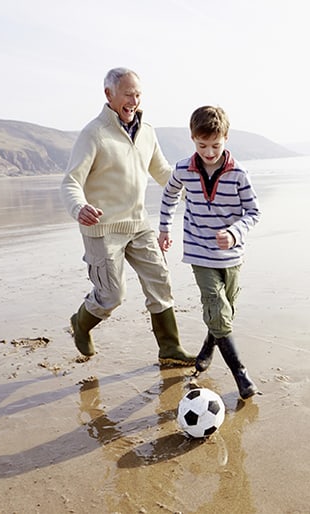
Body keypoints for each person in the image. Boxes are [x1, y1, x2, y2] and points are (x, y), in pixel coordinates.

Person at [61, 67, 195, 367]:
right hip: (102, 228)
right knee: (112, 296)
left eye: (137, 94)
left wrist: (196, 194)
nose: (133, 100)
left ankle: (170, 348)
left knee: (160, 281)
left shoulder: (147, 132)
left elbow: (162, 172)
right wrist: (78, 207)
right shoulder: (94, 133)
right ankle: (81, 323)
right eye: (127, 94)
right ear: (109, 94)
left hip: (138, 224)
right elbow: (71, 181)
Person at [158, 106, 261, 399]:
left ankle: (207, 347)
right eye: (202, 145)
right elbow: (168, 196)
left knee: (225, 310)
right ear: (192, 139)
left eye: (215, 145)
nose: (209, 152)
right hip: (199, 252)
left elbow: (254, 212)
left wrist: (233, 232)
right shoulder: (183, 169)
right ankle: (241, 374)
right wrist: (165, 228)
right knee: (216, 305)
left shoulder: (239, 174)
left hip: (232, 255)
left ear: (226, 138)